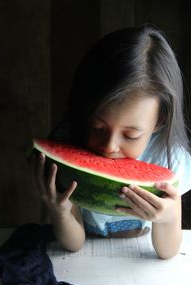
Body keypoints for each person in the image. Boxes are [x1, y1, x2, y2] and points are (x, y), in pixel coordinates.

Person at [32, 24, 191, 259]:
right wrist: (61, 211)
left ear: (159, 121)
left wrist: (168, 216)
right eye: (97, 127)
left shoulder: (169, 157)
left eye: (131, 135)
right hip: (86, 259)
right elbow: (73, 245)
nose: (109, 147)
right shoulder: (68, 141)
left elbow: (167, 252)